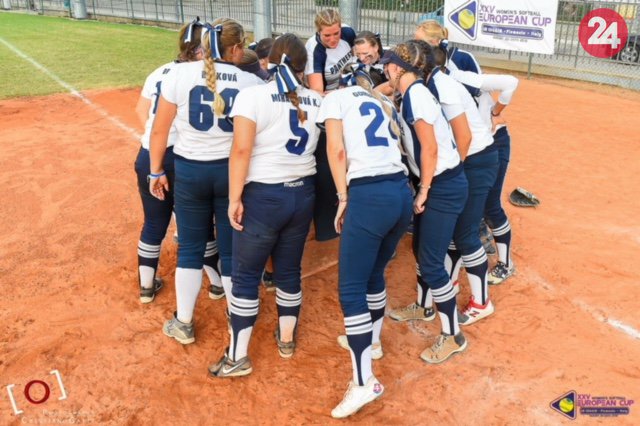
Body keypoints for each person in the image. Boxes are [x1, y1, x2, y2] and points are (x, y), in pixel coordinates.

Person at [208, 34, 322, 377]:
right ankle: (286, 340)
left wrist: (234, 198)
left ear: (268, 62)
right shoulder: (316, 100)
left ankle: (237, 357)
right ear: (303, 67)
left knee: (245, 276)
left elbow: (241, 150)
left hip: (264, 196)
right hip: (303, 193)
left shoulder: (254, 95)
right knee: (288, 271)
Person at [149, 18, 264, 344]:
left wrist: (156, 170)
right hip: (231, 173)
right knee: (230, 251)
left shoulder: (179, 74)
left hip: (190, 171)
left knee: (190, 248)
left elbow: (159, 130)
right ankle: (235, 316)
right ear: (236, 48)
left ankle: (184, 322)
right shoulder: (251, 82)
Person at [318, 63, 412, 418]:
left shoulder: (337, 98)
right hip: (399, 192)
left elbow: (336, 151)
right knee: (374, 275)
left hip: (370, 195)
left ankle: (364, 381)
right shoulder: (381, 101)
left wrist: (342, 197)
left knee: (351, 289)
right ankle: (371, 342)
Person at [380, 43, 469, 363]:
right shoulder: (413, 91)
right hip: (437, 181)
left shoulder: (416, 95)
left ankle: (453, 335)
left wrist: (424, 190)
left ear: (398, 68)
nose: (385, 70)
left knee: (431, 261)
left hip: (441, 184)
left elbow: (429, 148)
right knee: (421, 250)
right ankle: (424, 306)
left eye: (388, 65)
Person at [134, 19, 219, 304]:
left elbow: (141, 111)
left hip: (149, 153)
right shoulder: (205, 74)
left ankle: (146, 287)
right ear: (200, 50)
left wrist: (155, 143)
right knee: (198, 225)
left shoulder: (159, 71)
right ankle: (217, 284)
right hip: (183, 157)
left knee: (153, 222)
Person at [305, 9, 356, 242]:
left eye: (336, 33)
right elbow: (317, 91)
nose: (333, 39)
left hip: (346, 100)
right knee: (328, 161)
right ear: (318, 32)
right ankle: (326, 225)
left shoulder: (348, 34)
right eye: (327, 35)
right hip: (328, 107)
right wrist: (344, 94)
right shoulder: (314, 49)